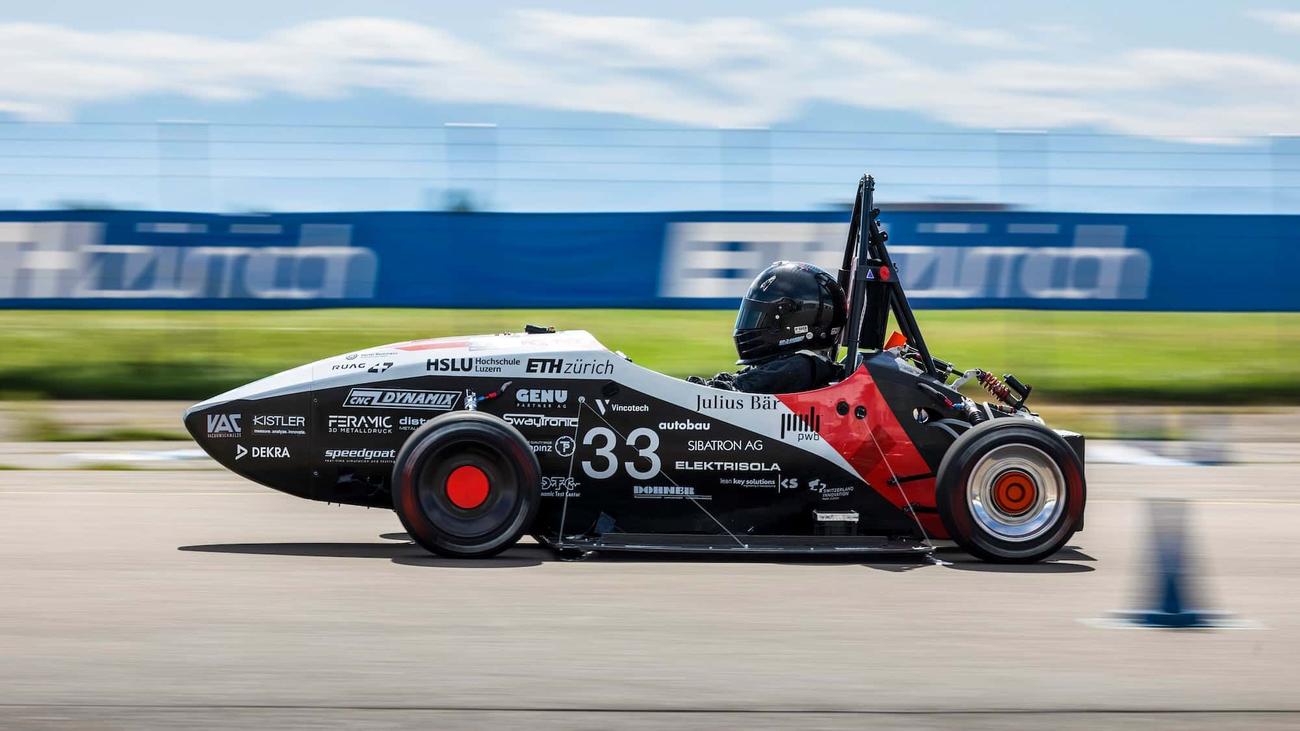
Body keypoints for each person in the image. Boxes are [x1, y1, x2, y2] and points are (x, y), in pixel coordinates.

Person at [689, 261, 847, 394]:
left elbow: (735, 392)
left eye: (760, 317)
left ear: (796, 323)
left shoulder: (800, 366)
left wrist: (718, 387)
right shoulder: (799, 363)